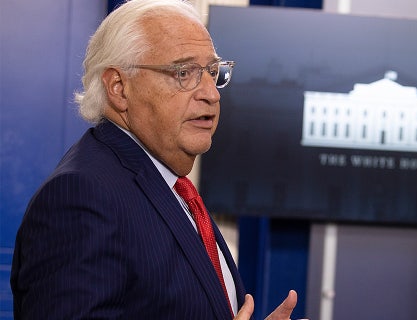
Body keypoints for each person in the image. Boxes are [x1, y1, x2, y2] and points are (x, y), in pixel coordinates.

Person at [10, 0, 297, 319]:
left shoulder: (172, 184)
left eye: (213, 72)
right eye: (184, 72)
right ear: (119, 88)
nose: (211, 94)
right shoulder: (82, 197)